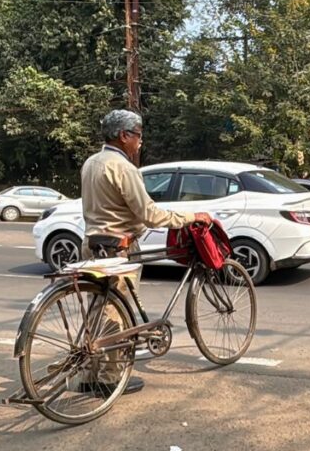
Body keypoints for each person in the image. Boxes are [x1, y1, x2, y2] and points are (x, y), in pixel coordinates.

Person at [80, 109, 213, 387]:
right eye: (138, 135)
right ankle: (109, 379)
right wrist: (190, 217)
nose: (140, 141)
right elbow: (150, 215)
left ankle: (89, 374)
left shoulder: (92, 162)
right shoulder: (123, 168)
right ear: (123, 135)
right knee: (117, 314)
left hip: (92, 243)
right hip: (117, 248)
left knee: (97, 310)